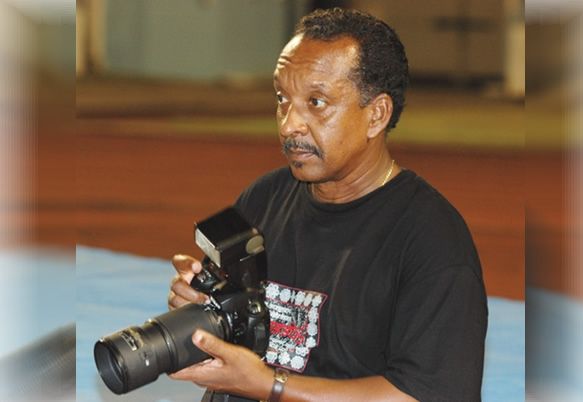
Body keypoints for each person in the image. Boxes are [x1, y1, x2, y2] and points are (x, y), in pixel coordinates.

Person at [167, 8, 487, 402]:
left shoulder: (431, 240)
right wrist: (200, 310)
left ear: (376, 115)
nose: (289, 124)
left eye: (316, 102)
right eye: (282, 99)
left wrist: (270, 385)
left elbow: (427, 395)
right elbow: (231, 329)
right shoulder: (264, 198)